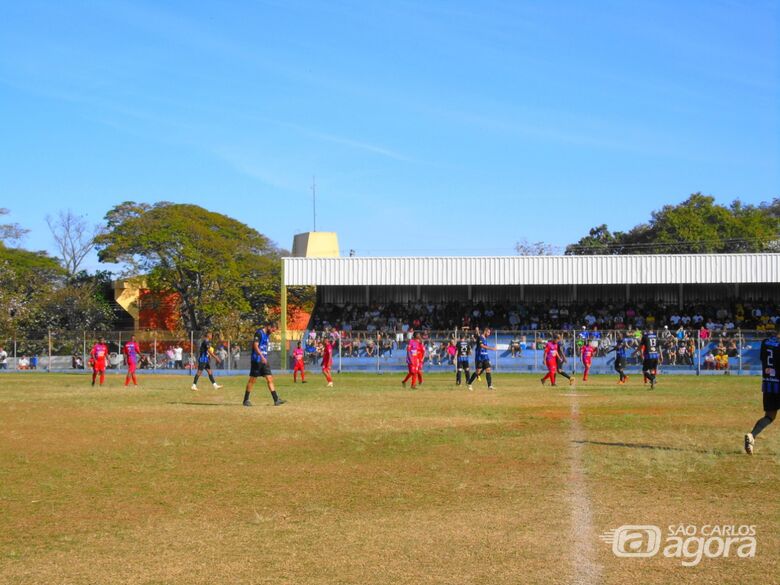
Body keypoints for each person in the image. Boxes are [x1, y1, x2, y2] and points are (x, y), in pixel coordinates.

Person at [745, 330, 779, 455]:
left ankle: (752, 435)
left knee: (769, 416)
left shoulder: (765, 342)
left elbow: (763, 359)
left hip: (769, 384)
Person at [244, 323, 285, 406]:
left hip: (264, 361)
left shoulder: (267, 335)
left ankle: (276, 400)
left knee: (269, 378)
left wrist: (264, 357)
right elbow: (255, 346)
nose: (273, 332)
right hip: (257, 360)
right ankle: (246, 400)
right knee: (252, 380)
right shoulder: (259, 333)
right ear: (269, 326)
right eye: (273, 330)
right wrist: (262, 356)